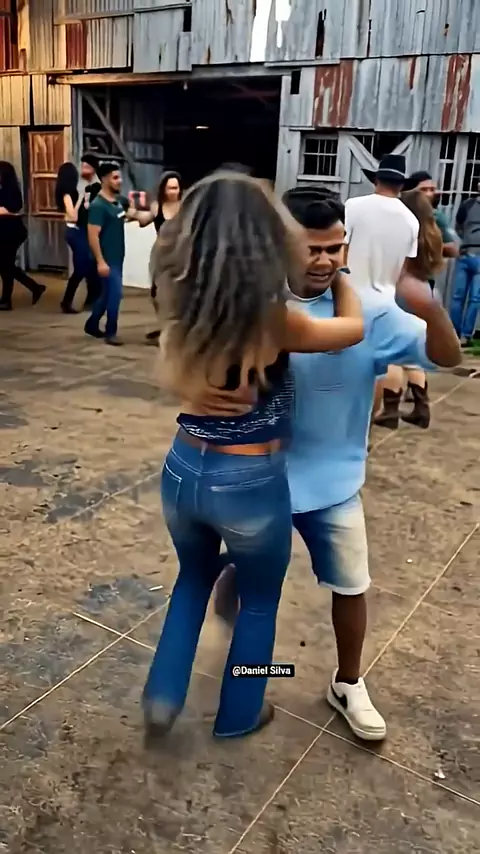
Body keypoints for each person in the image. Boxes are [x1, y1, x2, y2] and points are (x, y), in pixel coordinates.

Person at [210, 185, 461, 742]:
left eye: (335, 248)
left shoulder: (371, 311)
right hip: (261, 480)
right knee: (248, 589)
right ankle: (248, 666)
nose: (325, 261)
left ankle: (347, 683)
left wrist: (429, 306)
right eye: (312, 248)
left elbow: (446, 357)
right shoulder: (257, 307)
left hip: (335, 483)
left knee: (351, 584)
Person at [142, 170, 365, 740]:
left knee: (191, 581)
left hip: (182, 468)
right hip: (247, 479)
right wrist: (342, 277)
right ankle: (240, 713)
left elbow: (172, 370)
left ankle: (162, 699)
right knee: (260, 602)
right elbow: (351, 329)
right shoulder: (272, 319)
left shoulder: (183, 309)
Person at [85, 161, 153, 346]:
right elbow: (92, 235)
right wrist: (100, 261)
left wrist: (155, 211)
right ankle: (111, 331)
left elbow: (136, 216)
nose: (120, 181)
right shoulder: (98, 206)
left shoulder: (118, 202)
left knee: (107, 294)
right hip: (106, 259)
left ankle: (92, 324)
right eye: (115, 178)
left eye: (119, 177)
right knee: (115, 294)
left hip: (117, 257)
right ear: (104, 179)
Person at [344, 154, 419, 296]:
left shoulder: (353, 206)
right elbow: (404, 269)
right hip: (387, 299)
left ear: (376, 180)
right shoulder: (412, 221)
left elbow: (342, 248)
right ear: (402, 186)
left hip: (351, 294)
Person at [0, 161, 45, 311]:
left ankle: (6, 300)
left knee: (6, 266)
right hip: (5, 232)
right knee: (6, 266)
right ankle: (35, 287)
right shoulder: (3, 189)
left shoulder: (11, 190)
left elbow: (13, 208)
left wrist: (4, 211)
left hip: (12, 233)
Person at [56, 161, 99, 314]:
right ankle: (66, 302)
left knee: (87, 266)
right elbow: (73, 216)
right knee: (81, 268)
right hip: (74, 232)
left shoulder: (71, 193)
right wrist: (81, 198)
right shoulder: (67, 195)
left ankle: (89, 299)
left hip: (78, 232)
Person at [144, 171, 183, 344]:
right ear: (163, 189)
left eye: (176, 188)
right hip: (160, 255)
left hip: (180, 254)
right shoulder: (157, 206)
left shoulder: (185, 207)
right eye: (170, 188)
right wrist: (126, 212)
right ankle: (164, 326)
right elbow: (144, 220)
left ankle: (175, 329)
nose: (173, 192)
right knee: (156, 293)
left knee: (178, 293)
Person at [451, 180, 480, 345]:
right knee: (464, 297)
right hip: (466, 254)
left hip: (470, 253)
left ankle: (462, 335)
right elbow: (458, 226)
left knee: (469, 297)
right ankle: (459, 334)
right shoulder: (467, 205)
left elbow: (458, 227)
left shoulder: (467, 205)